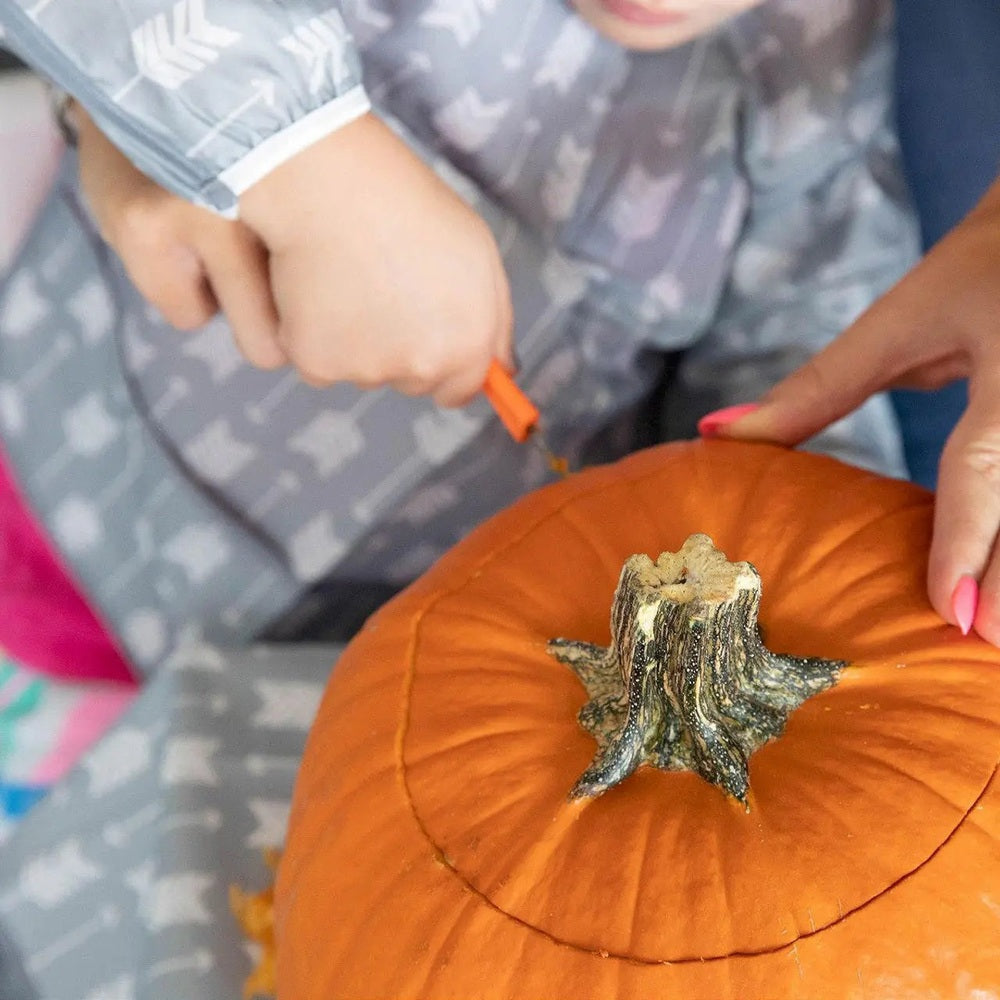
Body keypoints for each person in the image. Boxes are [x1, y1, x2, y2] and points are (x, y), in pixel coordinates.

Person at [0, 0, 992, 688]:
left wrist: (804, 557)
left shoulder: (825, 55)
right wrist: (293, 150)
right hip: (73, 476)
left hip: (378, 636)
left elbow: (799, 327)